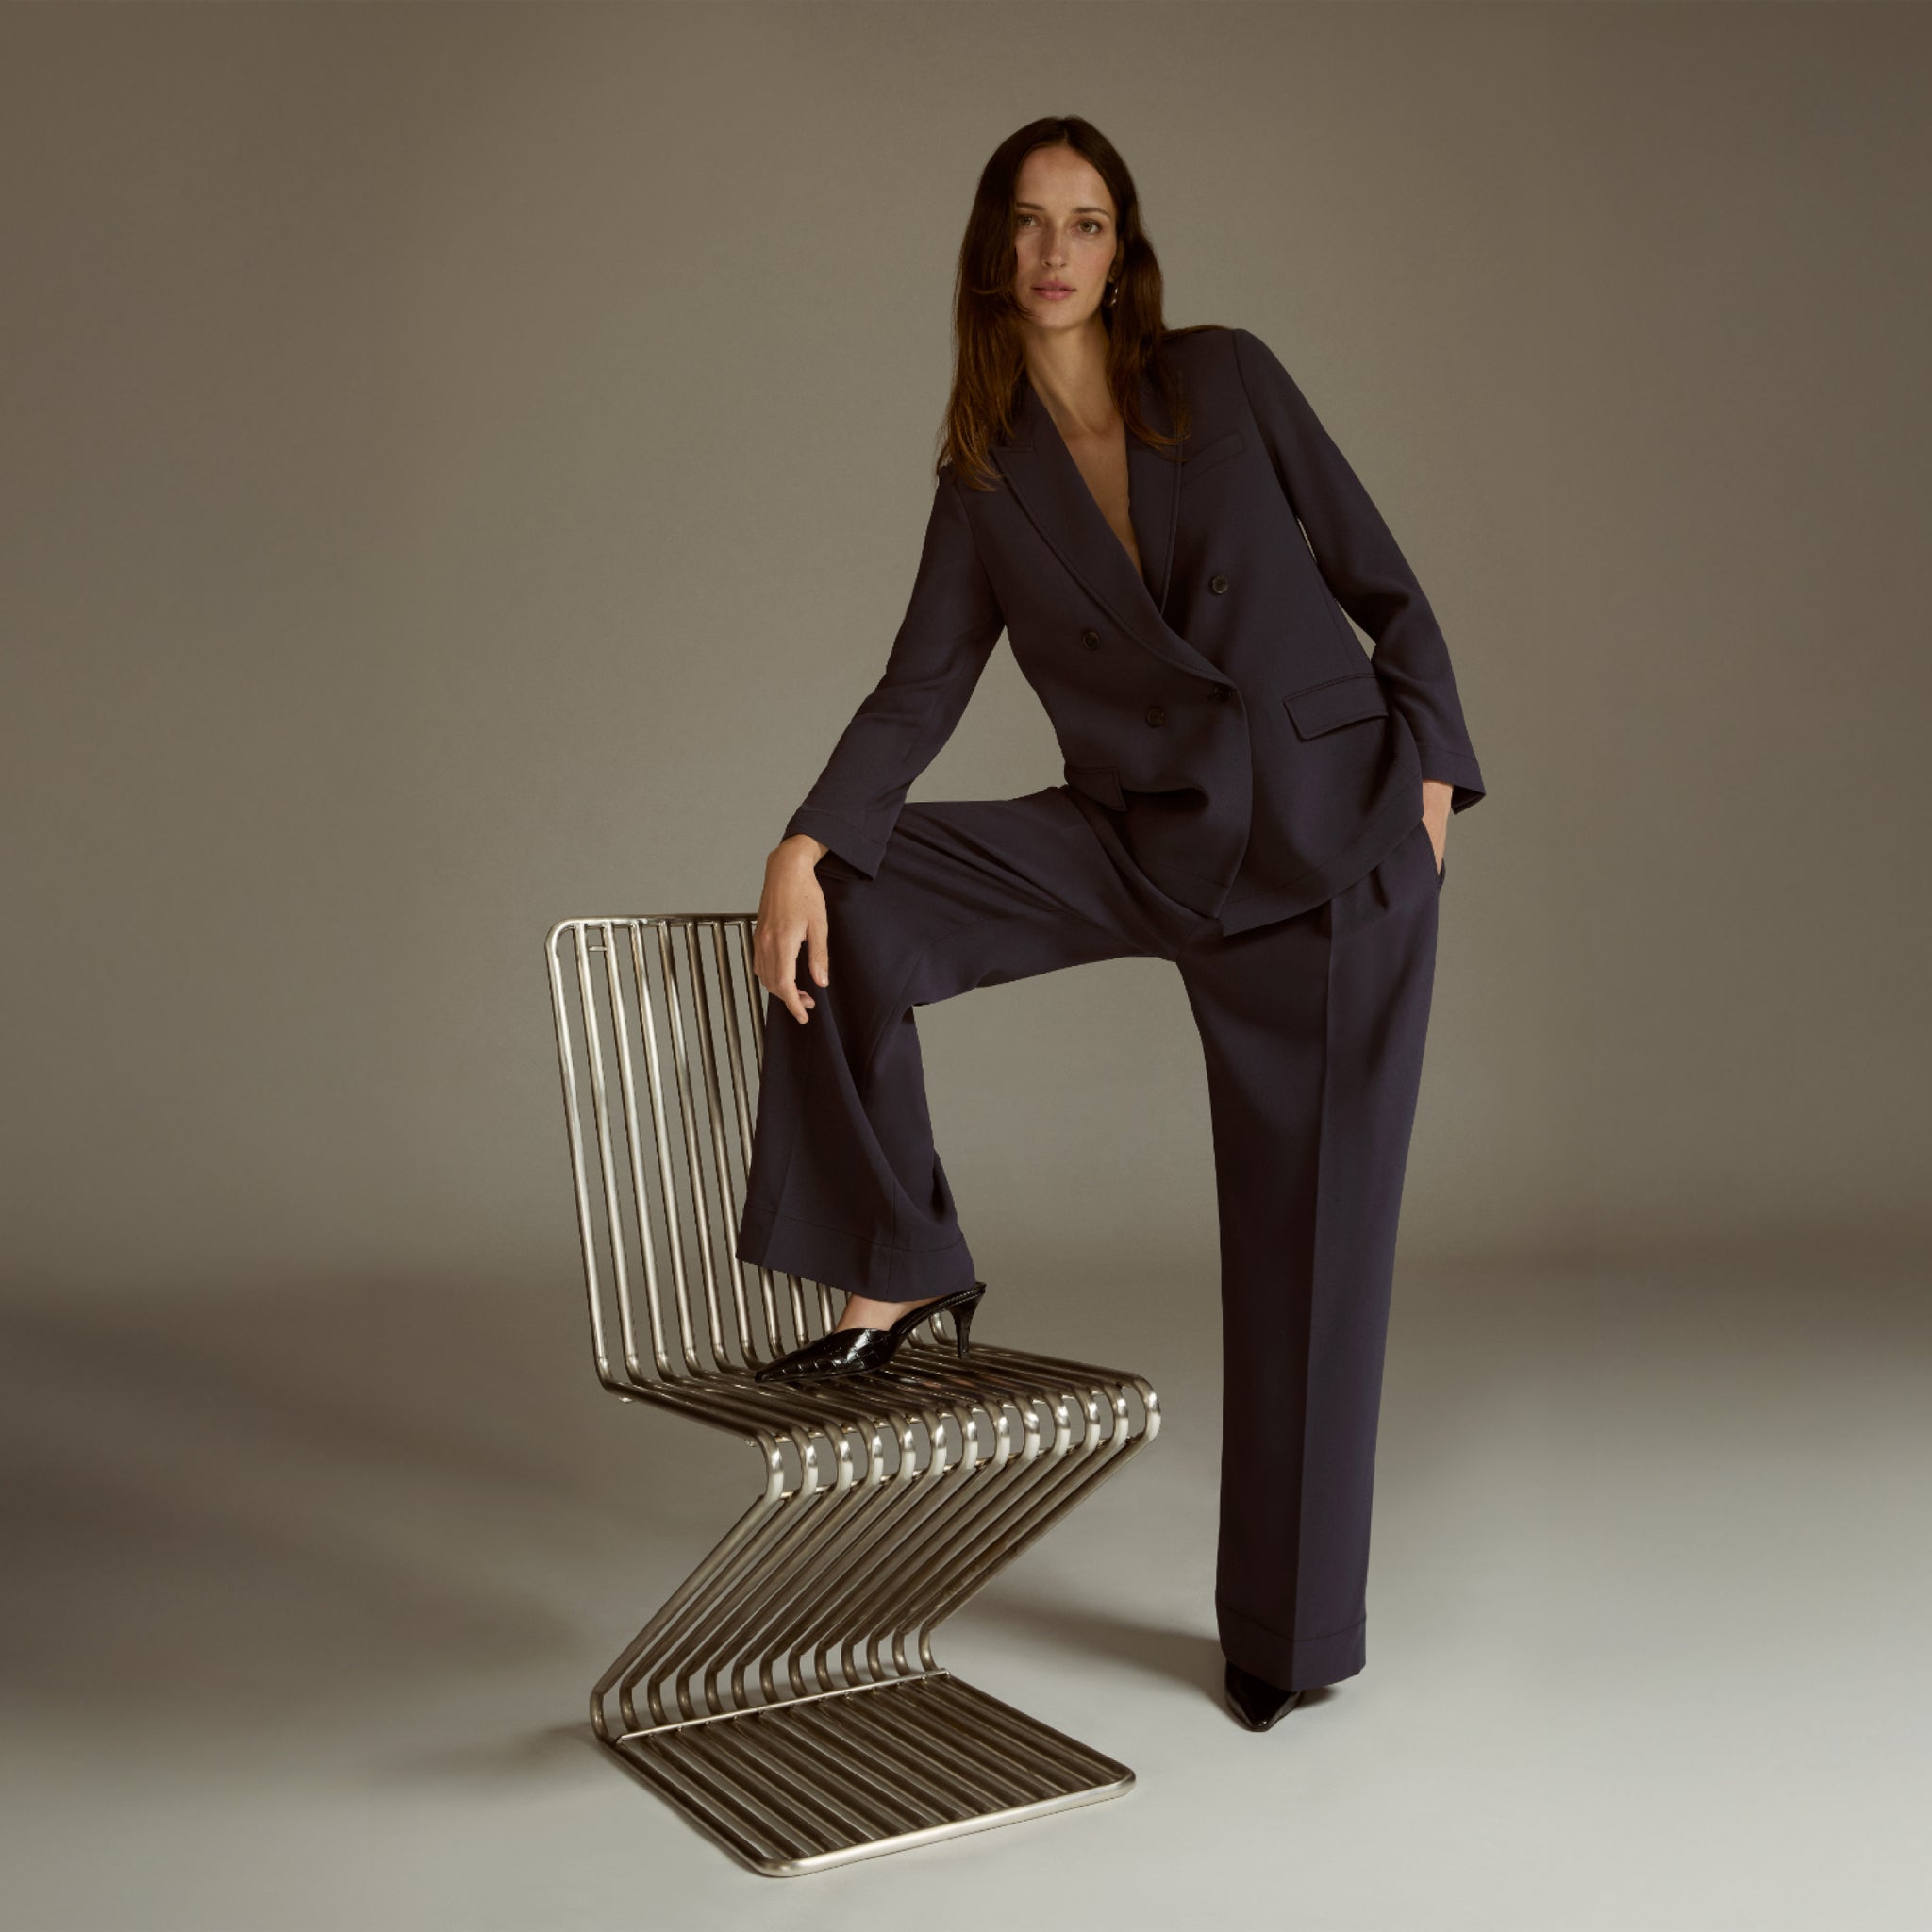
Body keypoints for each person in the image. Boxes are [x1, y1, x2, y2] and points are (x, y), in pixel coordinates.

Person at [731, 117, 1487, 1734]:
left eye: (1085, 222)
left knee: (1311, 1259)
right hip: (1140, 840)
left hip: (1330, 851)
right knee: (853, 898)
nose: (1055, 251)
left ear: (1123, 251)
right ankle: (898, 1268)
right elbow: (921, 685)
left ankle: (1286, 1641)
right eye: (1026, 222)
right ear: (991, 254)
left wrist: (1430, 769)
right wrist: (806, 834)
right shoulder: (987, 474)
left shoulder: (1224, 379)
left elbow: (1384, 582)